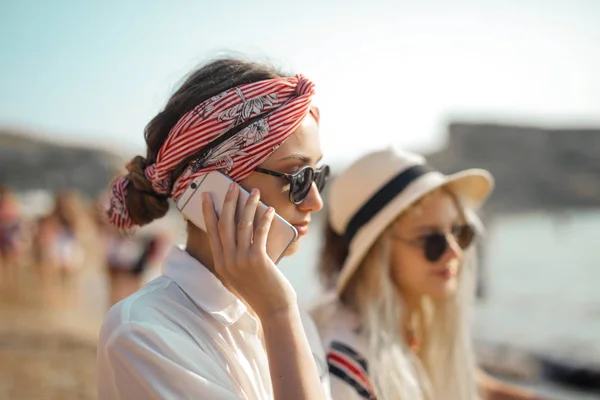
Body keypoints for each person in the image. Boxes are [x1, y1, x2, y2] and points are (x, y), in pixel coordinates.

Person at [97, 58, 332, 400]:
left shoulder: (297, 322)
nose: (315, 201)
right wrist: (278, 315)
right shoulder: (143, 333)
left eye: (319, 176)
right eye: (298, 177)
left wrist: (282, 315)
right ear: (210, 187)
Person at [311, 147, 540, 400]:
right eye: (431, 240)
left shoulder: (408, 327)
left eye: (459, 233)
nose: (454, 252)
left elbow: (473, 384)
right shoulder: (347, 362)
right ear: (378, 254)